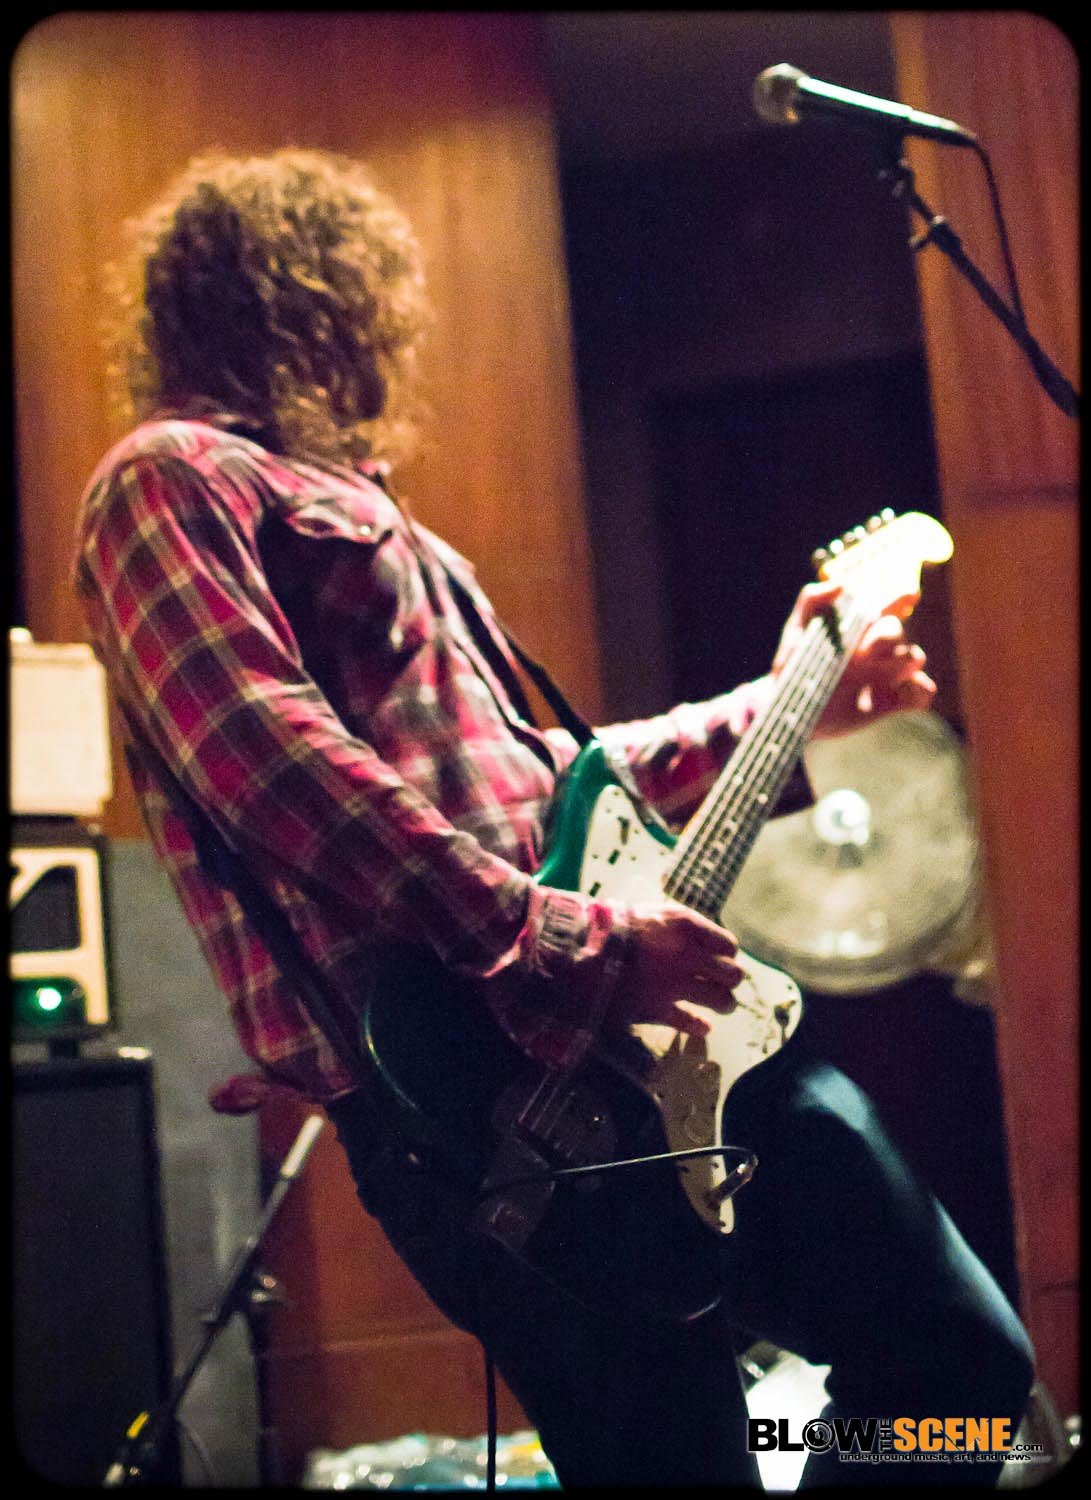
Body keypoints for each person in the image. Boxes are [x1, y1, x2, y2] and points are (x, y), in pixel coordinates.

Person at [75, 148, 1032, 1488]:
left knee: (968, 1378)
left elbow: (557, 776)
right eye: (367, 300)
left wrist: (790, 703)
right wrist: (560, 941)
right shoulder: (166, 478)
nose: (386, 339)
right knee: (678, 1464)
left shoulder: (399, 527)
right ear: (306, 297)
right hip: (482, 1095)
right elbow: (265, 757)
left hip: (646, 1045)